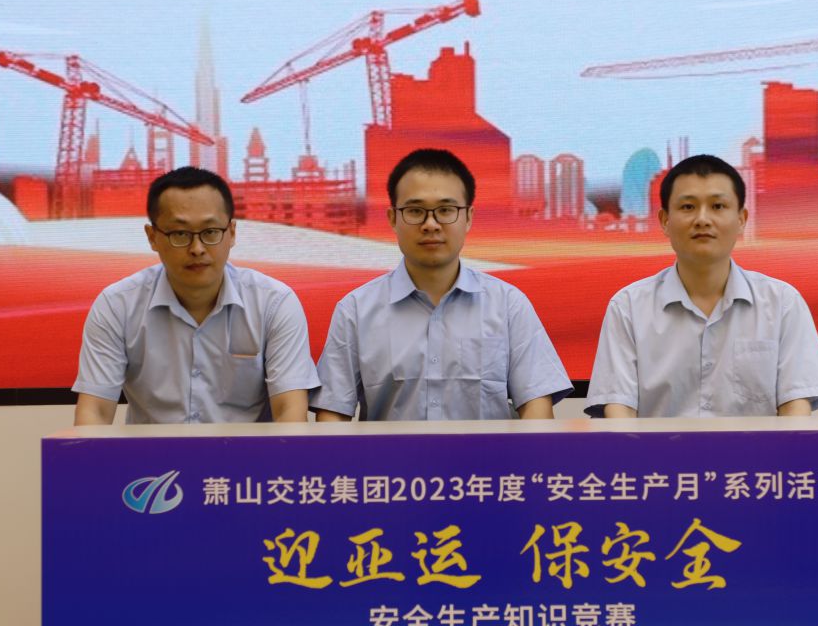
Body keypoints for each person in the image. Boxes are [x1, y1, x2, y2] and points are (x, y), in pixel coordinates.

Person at [311, 148, 571, 421]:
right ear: (393, 219)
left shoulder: (508, 305)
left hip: (487, 452)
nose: (431, 224)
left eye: (446, 210)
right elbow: (332, 415)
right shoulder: (356, 310)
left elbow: (536, 409)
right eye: (415, 211)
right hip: (392, 453)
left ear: (468, 217)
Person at [586, 153, 818, 418]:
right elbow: (619, 414)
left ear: (741, 219)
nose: (702, 219)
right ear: (664, 220)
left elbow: (795, 409)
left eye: (718, 206)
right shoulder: (628, 307)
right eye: (688, 207)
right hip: (656, 449)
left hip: (755, 448)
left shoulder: (782, 302)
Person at [73, 167, 319, 425]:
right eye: (180, 234)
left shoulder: (274, 304)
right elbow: (95, 412)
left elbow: (290, 412)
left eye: (210, 232)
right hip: (153, 452)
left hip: (247, 453)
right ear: (152, 237)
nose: (197, 248)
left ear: (232, 233)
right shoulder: (117, 306)